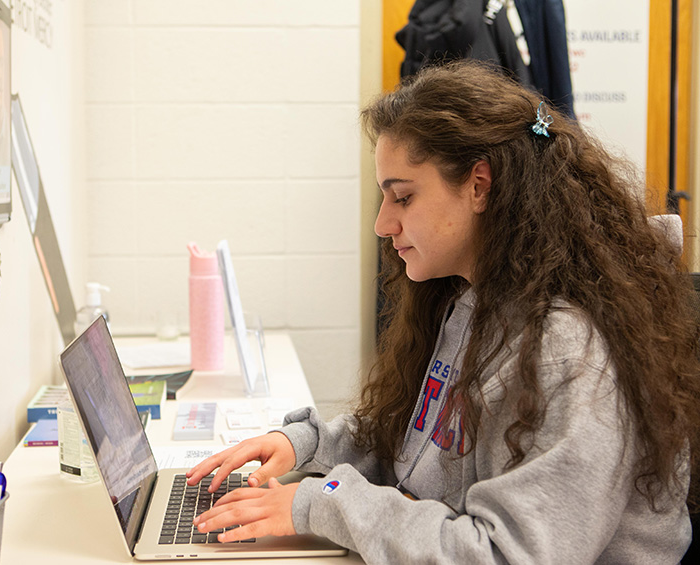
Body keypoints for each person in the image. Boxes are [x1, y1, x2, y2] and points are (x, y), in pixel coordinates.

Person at [186, 59, 700, 564]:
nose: (383, 224)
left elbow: (505, 554)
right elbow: (416, 443)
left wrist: (325, 500)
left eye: (403, 198)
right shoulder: (474, 300)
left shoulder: (571, 351)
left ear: (478, 186)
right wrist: (307, 445)